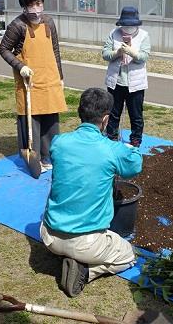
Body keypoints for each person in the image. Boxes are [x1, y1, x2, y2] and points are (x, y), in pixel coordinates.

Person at [40, 88, 142, 297]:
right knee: (129, 256)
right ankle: (85, 272)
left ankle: (68, 257)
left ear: (80, 112)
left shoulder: (59, 142)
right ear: (106, 119)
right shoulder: (111, 149)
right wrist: (129, 148)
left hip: (48, 235)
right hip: (86, 243)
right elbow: (134, 165)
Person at [0, 0, 67, 174]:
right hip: (29, 81)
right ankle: (33, 157)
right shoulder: (17, 25)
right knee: (31, 122)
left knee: (51, 121)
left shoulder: (49, 23)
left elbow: (55, 50)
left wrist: (60, 76)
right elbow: (3, 49)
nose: (36, 9)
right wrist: (20, 66)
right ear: (24, 6)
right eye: (31, 5)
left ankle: (49, 156)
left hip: (50, 80)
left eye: (38, 3)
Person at [102, 6, 151, 147]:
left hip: (135, 84)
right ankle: (111, 138)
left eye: (131, 25)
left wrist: (132, 52)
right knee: (113, 113)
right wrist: (117, 52)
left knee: (136, 115)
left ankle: (135, 141)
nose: (127, 28)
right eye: (125, 25)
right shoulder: (114, 33)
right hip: (116, 82)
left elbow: (144, 56)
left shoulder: (144, 36)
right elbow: (105, 54)